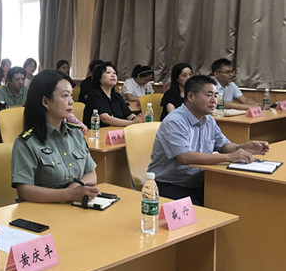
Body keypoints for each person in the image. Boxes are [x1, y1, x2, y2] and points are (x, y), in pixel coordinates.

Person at [148, 75, 269, 206]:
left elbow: (223, 145)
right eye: (209, 95)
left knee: (232, 200)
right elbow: (185, 157)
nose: (214, 100)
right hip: (170, 183)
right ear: (191, 96)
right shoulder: (175, 121)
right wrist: (228, 157)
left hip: (199, 181)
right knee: (202, 212)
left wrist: (241, 147)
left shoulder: (208, 120)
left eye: (216, 96)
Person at [11, 70, 99, 204]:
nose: (71, 102)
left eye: (71, 95)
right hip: (43, 210)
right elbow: (24, 190)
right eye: (65, 96)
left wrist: (74, 189)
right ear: (45, 101)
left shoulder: (76, 134)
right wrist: (69, 194)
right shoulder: (26, 142)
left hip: (74, 206)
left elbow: (91, 174)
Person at [83, 62, 145, 127]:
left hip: (115, 130)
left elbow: (128, 114)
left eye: (114, 73)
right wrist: (132, 123)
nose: (113, 75)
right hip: (97, 131)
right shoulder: (93, 95)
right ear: (99, 78)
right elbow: (106, 119)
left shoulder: (116, 96)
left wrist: (136, 119)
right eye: (108, 73)